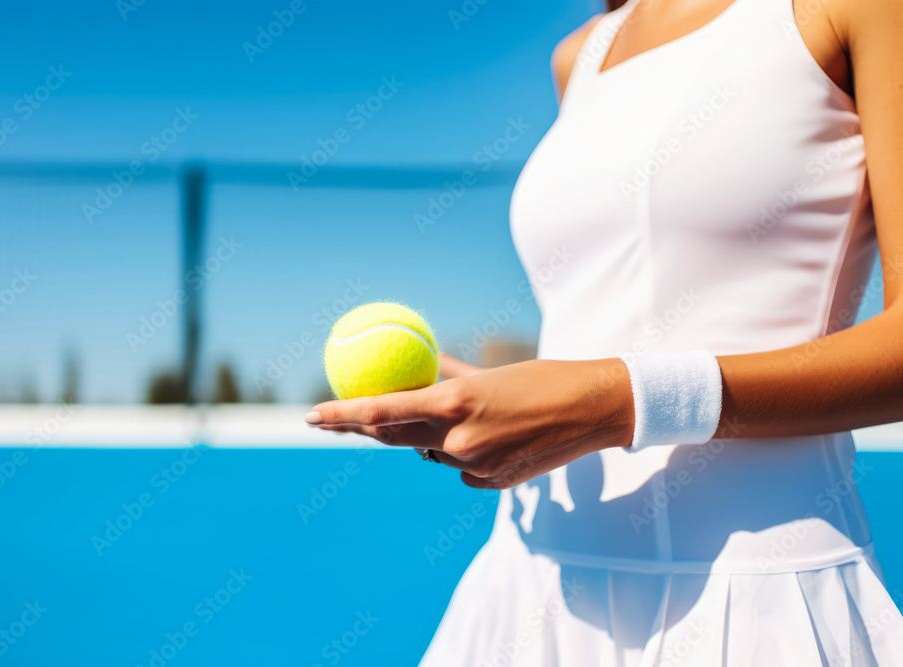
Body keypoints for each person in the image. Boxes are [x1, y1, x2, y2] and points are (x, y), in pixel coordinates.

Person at [304, 0, 903, 662]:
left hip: (758, 596)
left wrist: (617, 400)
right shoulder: (580, 55)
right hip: (531, 585)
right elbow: (611, 318)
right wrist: (511, 394)